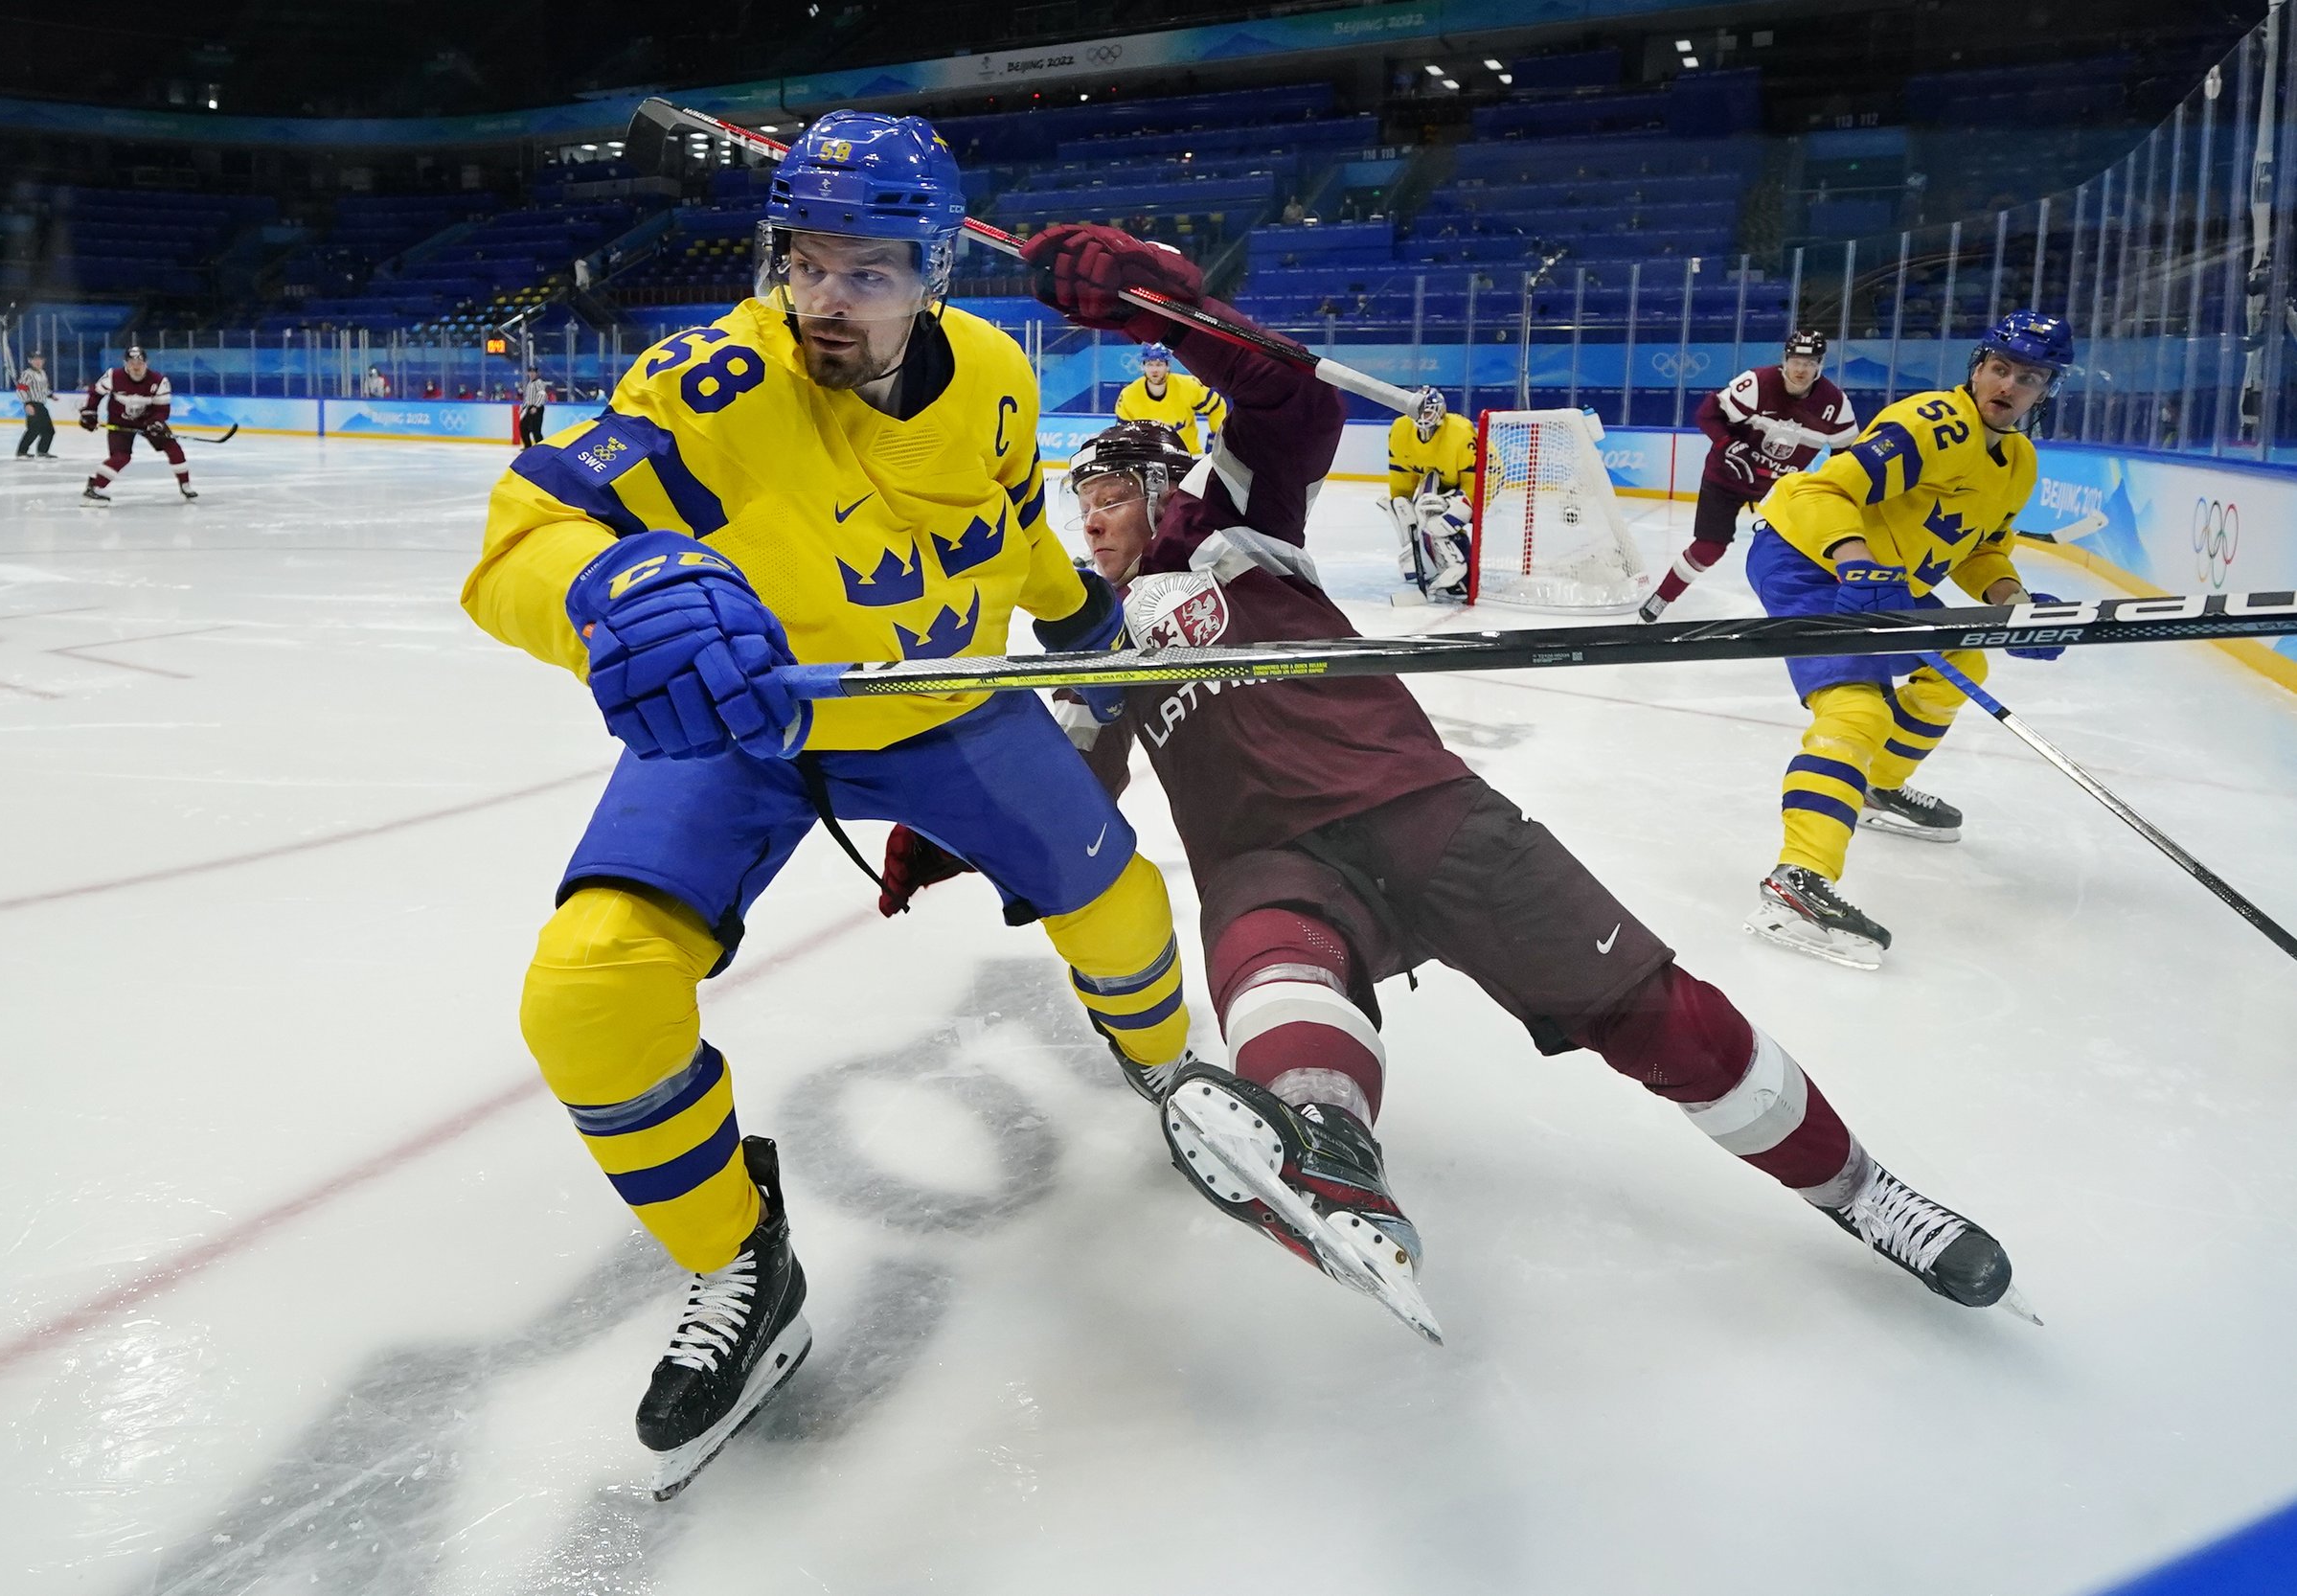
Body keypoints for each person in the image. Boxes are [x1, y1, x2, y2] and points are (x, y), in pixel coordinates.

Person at [881, 222, 2026, 1344]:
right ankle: (1328, 1152)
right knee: (1265, 963)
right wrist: (951, 817)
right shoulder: (1093, 647)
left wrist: (1150, 300)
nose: (1092, 518)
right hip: (1266, 859)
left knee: (1654, 1015)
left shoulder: (1232, 529)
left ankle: (1864, 1192)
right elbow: (1063, 792)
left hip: (1421, 807)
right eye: (1080, 503)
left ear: (1165, 488)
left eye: (1114, 493)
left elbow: (1292, 401)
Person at [460, 111, 1194, 1499]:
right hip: (752, 721)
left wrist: (1078, 604)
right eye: (802, 261)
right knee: (586, 987)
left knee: (1124, 903)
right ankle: (742, 1257)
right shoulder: (715, 383)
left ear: (934, 275)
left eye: (863, 272)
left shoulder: (993, 373)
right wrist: (603, 590)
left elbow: (997, 524)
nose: (819, 300)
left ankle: (1166, 1068)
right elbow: (520, 537)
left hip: (947, 706)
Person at [1740, 311, 2074, 969]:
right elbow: (1823, 490)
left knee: (1960, 658)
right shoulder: (1932, 424)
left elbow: (1982, 552)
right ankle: (1795, 882)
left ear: (2045, 391)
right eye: (2000, 368)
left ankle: (1876, 787)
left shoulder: (2019, 461)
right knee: (1855, 707)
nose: (2008, 385)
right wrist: (1856, 561)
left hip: (1881, 576)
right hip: (1806, 554)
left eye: (2028, 378)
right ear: (1978, 368)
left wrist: (2018, 603)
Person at [1640, 331, 1856, 622]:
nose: (1801, 369)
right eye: (1795, 360)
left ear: (1820, 365)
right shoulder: (1757, 383)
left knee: (1814, 545)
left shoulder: (1836, 405)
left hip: (1779, 490)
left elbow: (1846, 455)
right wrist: (1728, 444)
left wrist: (1830, 490)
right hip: (1725, 477)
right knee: (1709, 548)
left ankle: (1836, 607)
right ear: (1785, 360)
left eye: (1809, 362)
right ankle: (1661, 598)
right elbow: (1707, 414)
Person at [1383, 393, 1477, 595]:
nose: (1423, 416)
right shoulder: (1400, 430)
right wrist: (1402, 503)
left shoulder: (1460, 432)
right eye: (1419, 411)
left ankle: (1462, 567)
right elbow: (1402, 476)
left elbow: (1474, 483)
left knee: (1443, 523)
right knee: (1421, 513)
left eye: (1427, 411)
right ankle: (1430, 563)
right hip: (1439, 478)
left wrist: (1453, 505)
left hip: (1482, 478)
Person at [80, 346, 194, 503]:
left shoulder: (159, 381)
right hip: (119, 422)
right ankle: (95, 486)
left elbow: (162, 409)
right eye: (131, 362)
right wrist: (89, 413)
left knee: (173, 448)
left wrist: (156, 423)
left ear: (147, 362)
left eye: (139, 362)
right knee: (121, 457)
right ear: (125, 362)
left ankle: (185, 485)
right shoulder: (113, 376)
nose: (136, 366)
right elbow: (96, 394)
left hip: (147, 421)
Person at [1112, 341, 1223, 454]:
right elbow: (1122, 432)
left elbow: (1217, 406)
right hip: (1147, 458)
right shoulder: (1129, 395)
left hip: (1188, 457)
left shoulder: (1189, 386)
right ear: (1143, 366)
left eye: (1159, 364)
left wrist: (1216, 437)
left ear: (1168, 366)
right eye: (1150, 364)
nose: (1154, 370)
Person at [14, 351, 55, 459]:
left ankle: (42, 451)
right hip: (32, 404)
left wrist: (51, 395)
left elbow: (44, 389)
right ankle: (22, 452)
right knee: (33, 429)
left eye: (40, 359)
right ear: (30, 361)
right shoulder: (27, 374)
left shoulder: (42, 373)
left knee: (49, 430)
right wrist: (27, 403)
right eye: (35, 359)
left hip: (41, 405)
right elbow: (21, 389)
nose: (38, 362)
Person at [518, 375, 548, 446]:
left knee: (536, 430)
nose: (531, 374)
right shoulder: (530, 383)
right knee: (523, 427)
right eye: (530, 372)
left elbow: (542, 395)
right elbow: (528, 398)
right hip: (530, 407)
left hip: (537, 408)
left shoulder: (539, 382)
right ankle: (528, 446)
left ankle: (541, 448)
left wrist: (536, 407)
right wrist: (523, 407)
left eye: (533, 372)